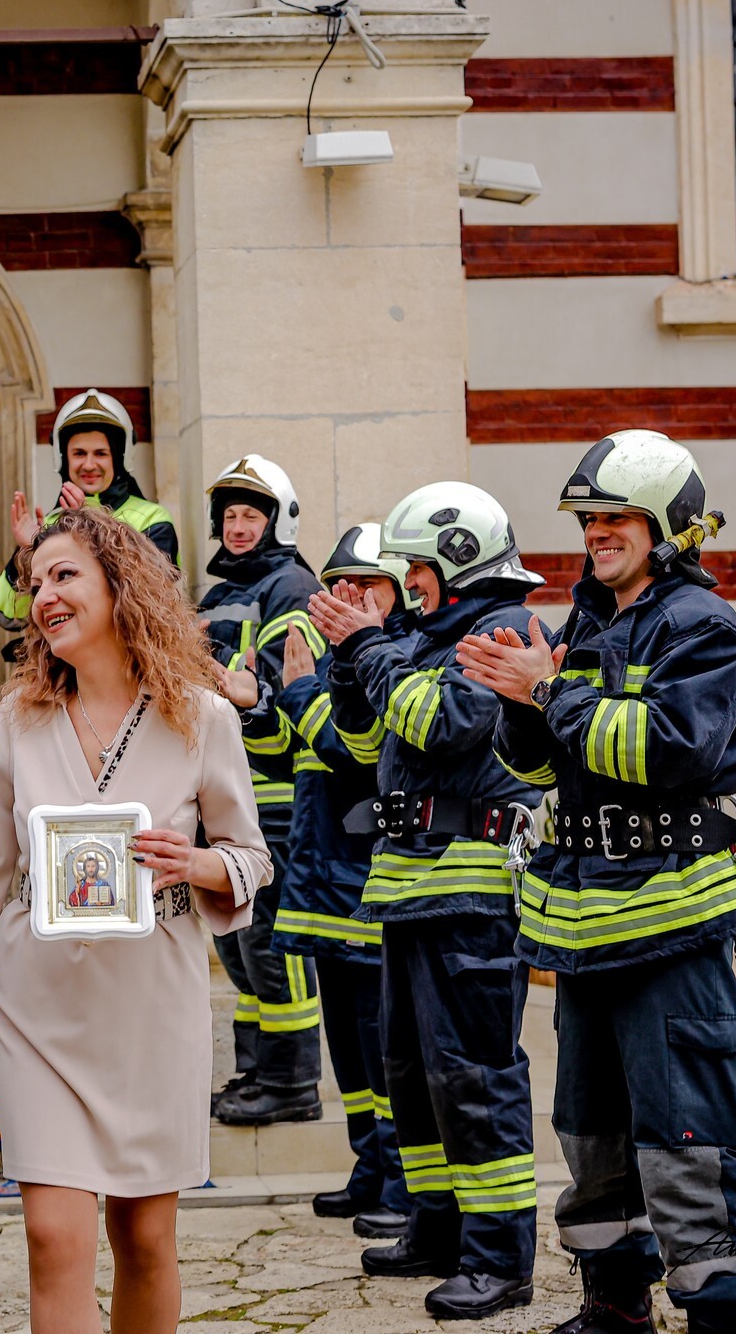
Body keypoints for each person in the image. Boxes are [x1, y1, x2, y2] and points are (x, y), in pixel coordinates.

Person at [457, 431, 736, 1334]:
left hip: (669, 924)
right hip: (585, 927)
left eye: (617, 518)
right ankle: (614, 1301)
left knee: (688, 1129)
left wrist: (550, 693)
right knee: (591, 1130)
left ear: (668, 525)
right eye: (588, 519)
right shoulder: (586, 625)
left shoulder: (704, 626)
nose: (597, 533)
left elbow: (671, 751)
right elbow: (542, 767)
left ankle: (724, 1305)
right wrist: (522, 706)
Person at [0, 505, 272, 1334]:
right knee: (53, 1234)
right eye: (36, 581)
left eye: (64, 574)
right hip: (40, 1004)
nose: (43, 595)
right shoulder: (21, 717)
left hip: (154, 1005)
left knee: (144, 1238)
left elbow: (251, 856)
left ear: (121, 584)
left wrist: (199, 864)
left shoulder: (203, 716)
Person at [308, 481, 545, 1321]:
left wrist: (370, 645)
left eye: (416, 568)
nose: (408, 583)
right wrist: (349, 659)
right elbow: (366, 741)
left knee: (473, 1077)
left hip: (470, 895)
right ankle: (437, 1229)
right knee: (413, 1076)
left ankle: (499, 1258)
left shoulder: (501, 632)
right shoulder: (422, 638)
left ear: (457, 559)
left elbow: (444, 723)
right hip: (410, 892)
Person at [261, 524, 418, 1238]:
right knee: (349, 1049)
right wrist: (256, 700)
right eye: (338, 584)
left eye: (368, 584)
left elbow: (361, 752)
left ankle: (404, 1181)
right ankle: (369, 1167)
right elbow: (291, 750)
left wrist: (300, 694)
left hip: (367, 882)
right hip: (325, 879)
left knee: (384, 1049)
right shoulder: (332, 658)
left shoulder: (400, 656)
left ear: (401, 591)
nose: (349, 595)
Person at [198, 455, 326, 1128]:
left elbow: (279, 686)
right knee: (240, 946)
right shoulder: (219, 593)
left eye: (251, 514)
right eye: (230, 515)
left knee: (274, 947)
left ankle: (292, 1081)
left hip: (274, 796)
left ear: (279, 522)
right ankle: (256, 1071)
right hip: (224, 795)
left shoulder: (291, 586)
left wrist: (220, 671)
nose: (238, 526)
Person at [0, 389, 179, 644]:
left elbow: (150, 597)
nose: (89, 465)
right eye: (79, 453)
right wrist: (26, 553)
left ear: (119, 458)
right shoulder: (49, 526)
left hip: (130, 659)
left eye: (100, 453)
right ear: (64, 458)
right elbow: (8, 615)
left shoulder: (152, 518)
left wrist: (91, 525)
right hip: (64, 664)